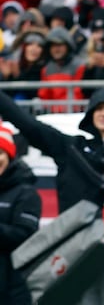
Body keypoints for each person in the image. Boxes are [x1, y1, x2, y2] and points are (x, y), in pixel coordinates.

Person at [0, 87, 104, 305]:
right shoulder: (70, 148)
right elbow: (28, 124)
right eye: (98, 108)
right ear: (90, 114)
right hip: (78, 254)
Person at [0, 123, 41, 305]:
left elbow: (26, 235)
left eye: (0, 152)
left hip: (12, 289)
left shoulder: (26, 192)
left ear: (9, 156)